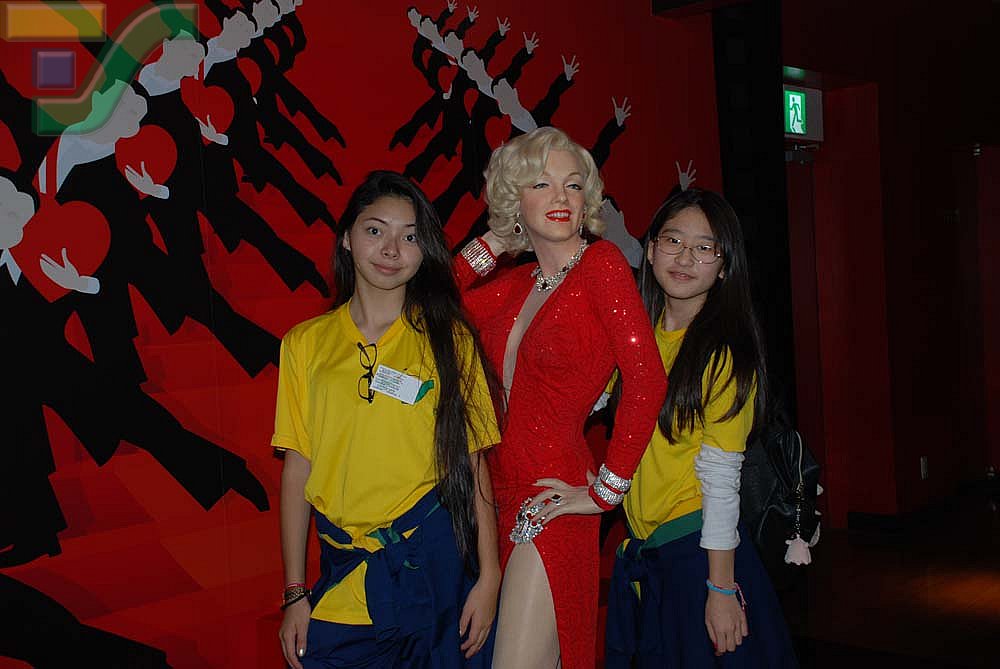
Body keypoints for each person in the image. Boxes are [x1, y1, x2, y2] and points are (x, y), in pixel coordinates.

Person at [454, 126, 667, 669]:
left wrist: (606, 491)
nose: (562, 197)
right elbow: (430, 304)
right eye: (542, 183)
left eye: (573, 185)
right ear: (515, 196)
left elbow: (647, 379)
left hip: (551, 497)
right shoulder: (516, 283)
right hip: (495, 497)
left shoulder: (602, 265)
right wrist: (496, 240)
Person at [274, 171, 501, 668]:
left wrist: (490, 578)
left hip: (434, 567)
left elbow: (474, 465)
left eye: (410, 236)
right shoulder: (304, 343)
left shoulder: (451, 340)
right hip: (345, 570)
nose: (391, 249)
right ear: (347, 239)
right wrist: (294, 592)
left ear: (424, 252)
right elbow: (296, 469)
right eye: (375, 230)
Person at [605, 188, 798, 668]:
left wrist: (721, 588)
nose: (685, 257)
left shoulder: (725, 354)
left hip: (700, 552)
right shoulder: (635, 339)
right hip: (649, 552)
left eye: (705, 247)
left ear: (724, 265)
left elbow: (721, 477)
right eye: (673, 241)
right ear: (650, 250)